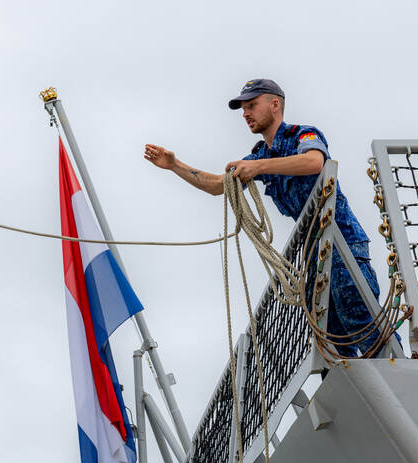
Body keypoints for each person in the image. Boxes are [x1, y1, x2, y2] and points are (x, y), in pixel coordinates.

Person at [143, 78, 382, 357]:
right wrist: (175, 165)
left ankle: (397, 383)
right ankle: (350, 398)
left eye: (252, 105)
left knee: (362, 326)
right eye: (243, 108)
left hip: (342, 245)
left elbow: (314, 162)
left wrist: (257, 167)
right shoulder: (260, 155)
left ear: (275, 104)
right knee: (330, 345)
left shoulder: (301, 136)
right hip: (315, 255)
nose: (246, 113)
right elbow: (218, 186)